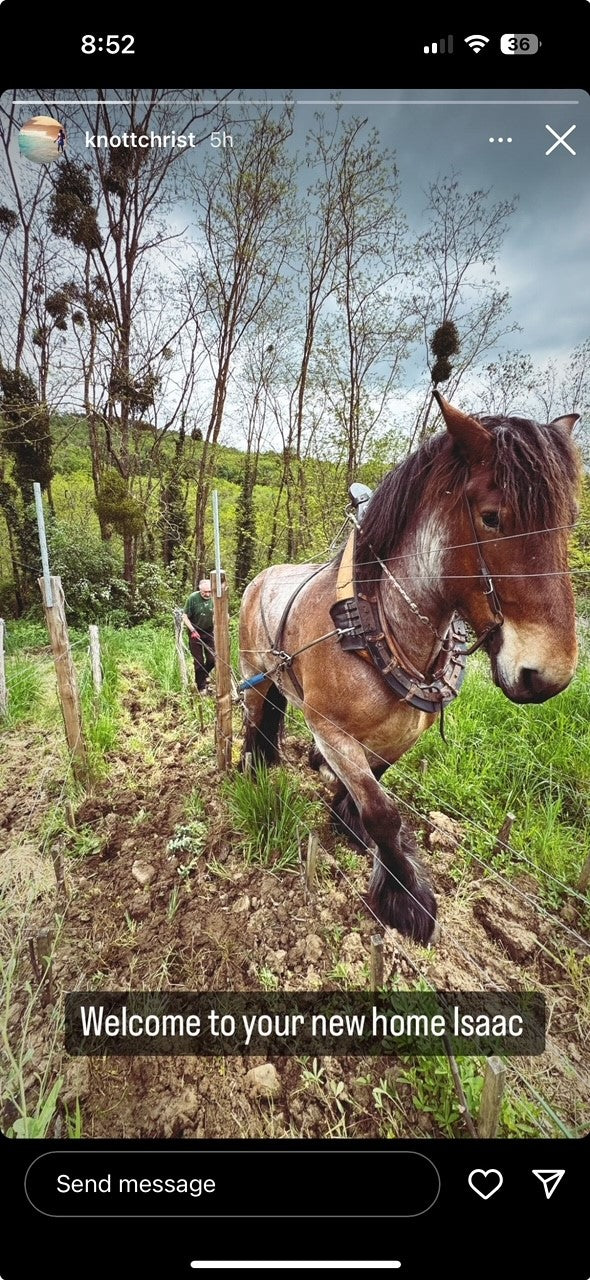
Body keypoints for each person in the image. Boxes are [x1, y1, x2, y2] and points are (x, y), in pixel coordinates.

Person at [183, 579, 215, 692]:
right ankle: (201, 687)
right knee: (199, 662)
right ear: (200, 590)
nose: (207, 594)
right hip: (195, 632)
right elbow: (185, 616)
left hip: (209, 632)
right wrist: (192, 630)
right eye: (204, 592)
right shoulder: (193, 598)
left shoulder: (215, 598)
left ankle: (204, 675)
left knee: (213, 659)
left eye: (209, 592)